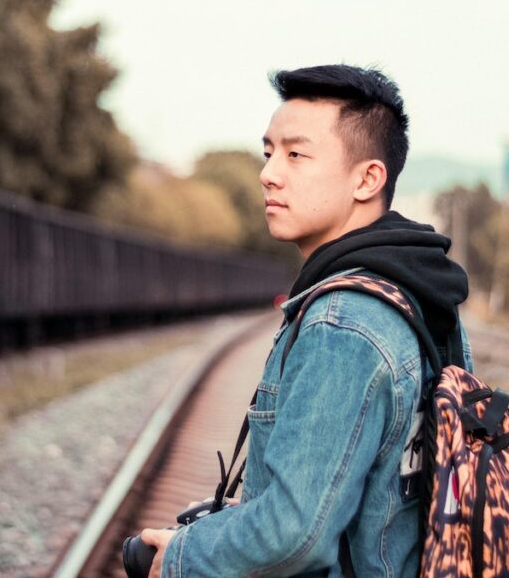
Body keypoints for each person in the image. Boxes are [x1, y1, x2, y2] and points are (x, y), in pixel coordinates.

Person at [139, 64, 471, 577]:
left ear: (367, 179)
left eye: (296, 154)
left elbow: (296, 535)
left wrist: (182, 557)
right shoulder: (414, 290)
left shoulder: (344, 325)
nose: (269, 173)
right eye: (269, 152)